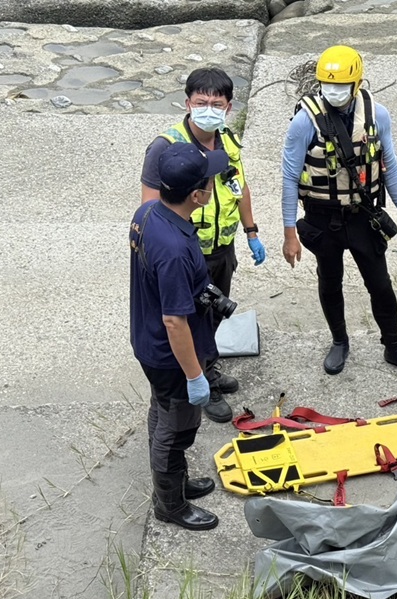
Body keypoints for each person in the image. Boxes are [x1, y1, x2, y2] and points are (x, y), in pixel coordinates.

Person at [281, 45, 397, 379]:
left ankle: (393, 346)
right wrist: (290, 234)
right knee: (330, 280)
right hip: (322, 217)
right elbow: (289, 177)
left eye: (341, 85)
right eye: (327, 84)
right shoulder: (304, 122)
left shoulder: (378, 115)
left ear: (357, 83)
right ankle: (339, 341)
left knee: (381, 284)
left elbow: (390, 167)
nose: (333, 91)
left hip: (363, 214)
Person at [140, 67, 265, 424]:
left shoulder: (227, 141)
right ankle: (197, 381)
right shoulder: (166, 147)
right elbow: (149, 207)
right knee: (189, 320)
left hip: (221, 248)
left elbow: (239, 186)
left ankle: (208, 367)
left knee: (213, 315)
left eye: (216, 104)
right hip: (187, 254)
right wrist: (171, 252)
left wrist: (251, 231)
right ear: (188, 103)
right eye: (201, 102)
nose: (208, 109)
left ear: (228, 107)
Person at [130, 143, 229, 531]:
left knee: (161, 411)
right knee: (176, 431)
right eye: (208, 182)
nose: (212, 185)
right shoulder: (173, 249)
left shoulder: (147, 213)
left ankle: (175, 483)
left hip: (148, 341)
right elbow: (175, 321)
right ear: (196, 196)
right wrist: (195, 375)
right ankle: (170, 505)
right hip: (171, 354)